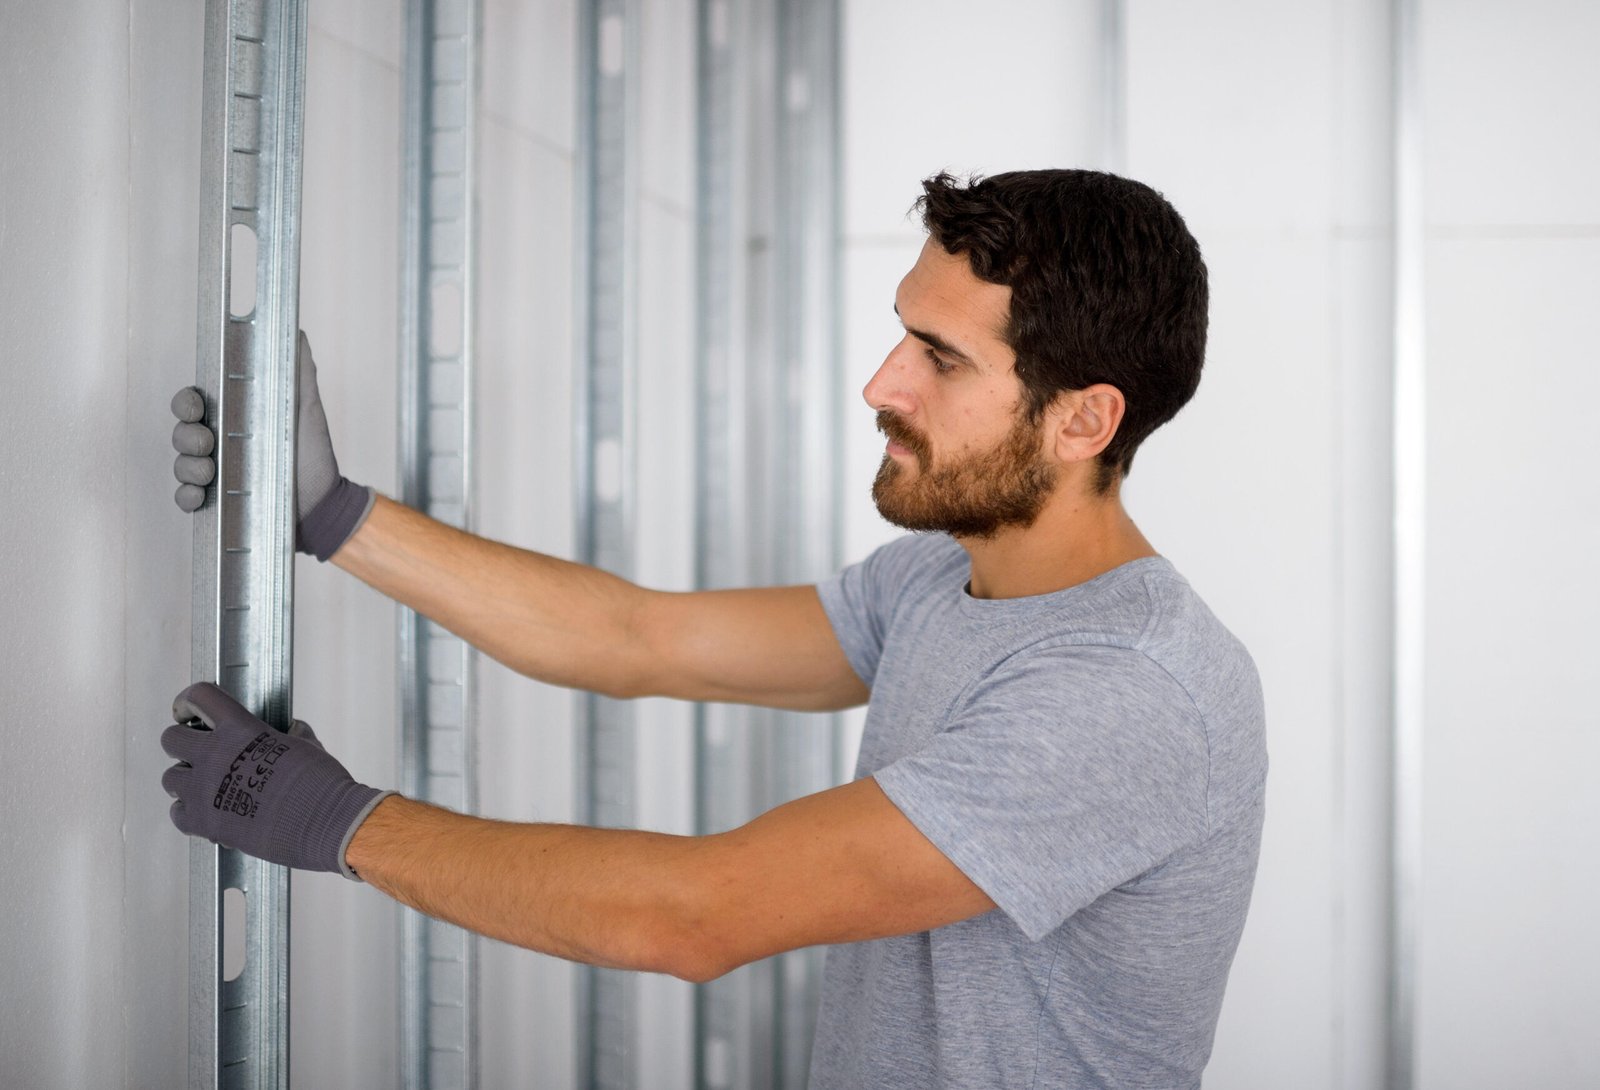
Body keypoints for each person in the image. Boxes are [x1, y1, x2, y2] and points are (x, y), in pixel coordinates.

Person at [165, 169, 1266, 1089]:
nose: (881, 383)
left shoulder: (1121, 691)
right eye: (902, 335)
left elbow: (695, 914)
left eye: (941, 357)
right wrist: (333, 513)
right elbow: (637, 638)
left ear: (1085, 418)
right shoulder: (946, 578)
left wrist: (340, 821)